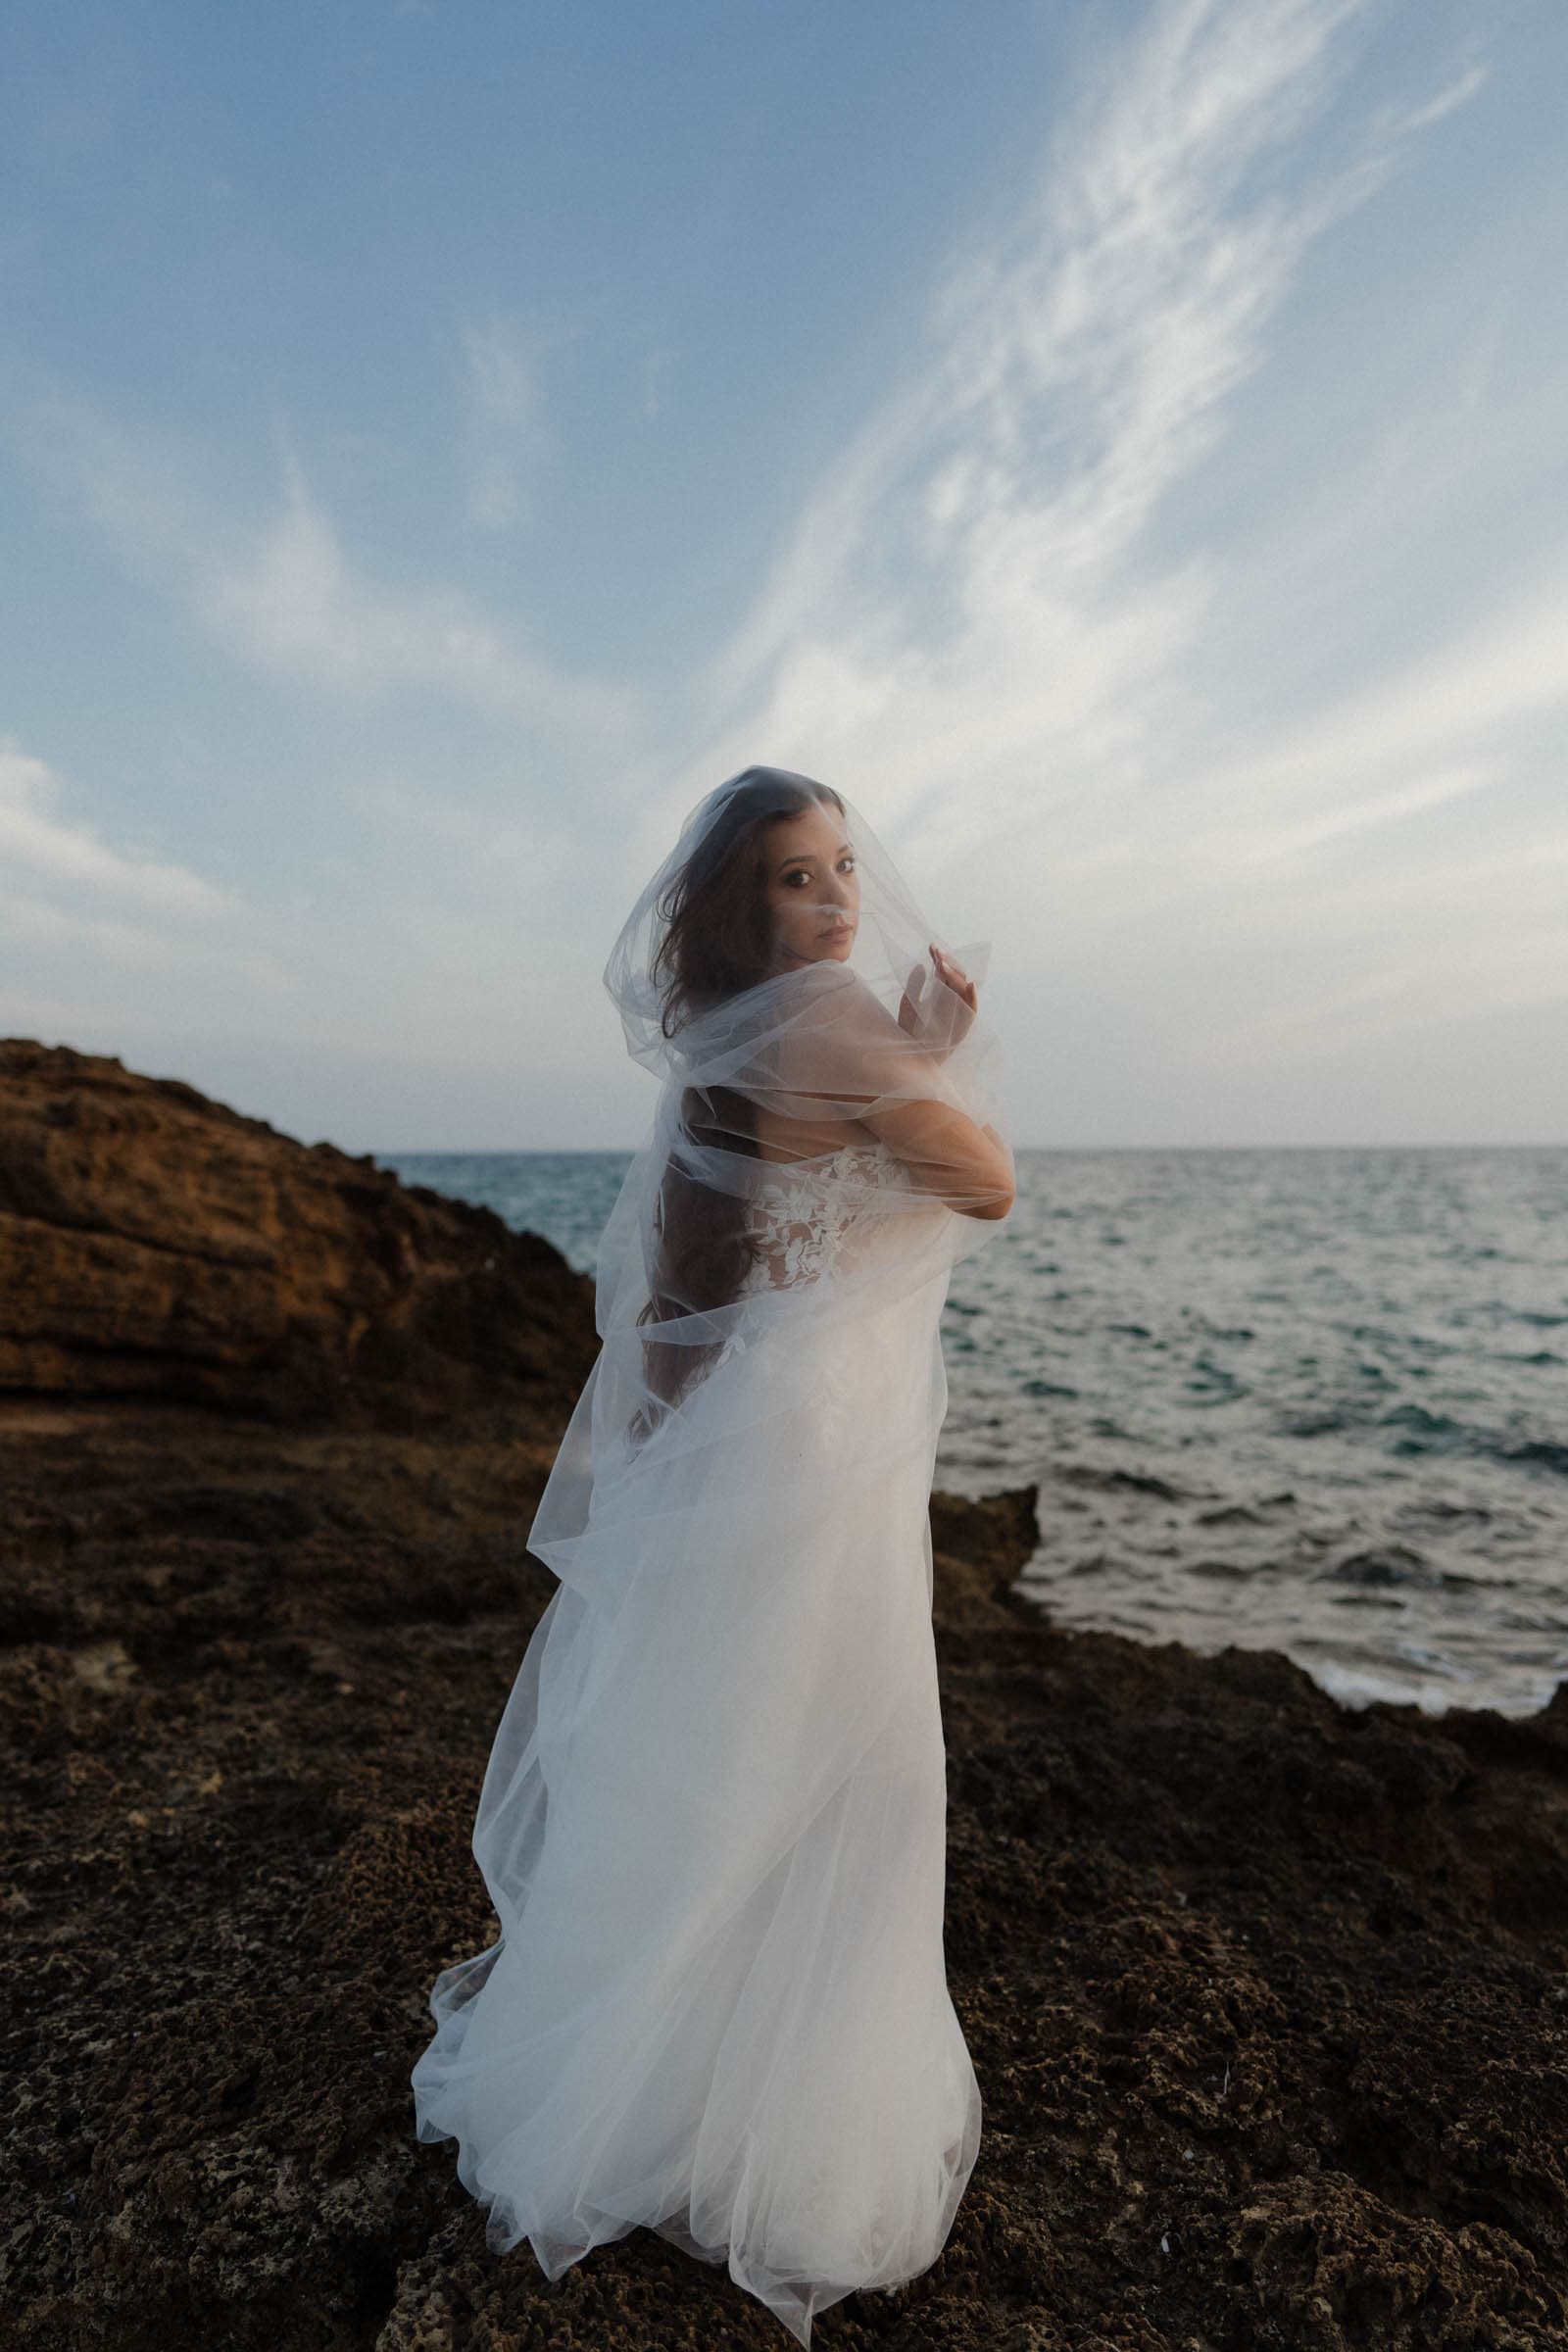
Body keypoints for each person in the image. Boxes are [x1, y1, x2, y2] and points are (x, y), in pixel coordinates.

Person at [410, 765, 1016, 2346]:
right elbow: (986, 1183)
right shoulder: (828, 1022)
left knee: (712, 1741)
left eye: (836, 871)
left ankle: (629, 2084)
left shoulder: (719, 1052)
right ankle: (767, 2125)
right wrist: (925, 1060)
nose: (836, 903)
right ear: (742, 910)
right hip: (824, 1443)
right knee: (837, 1755)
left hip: (751, 1425)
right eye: (797, 883)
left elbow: (700, 1276)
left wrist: (905, 1065)